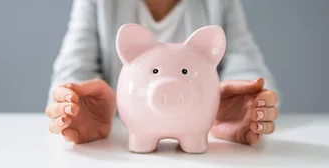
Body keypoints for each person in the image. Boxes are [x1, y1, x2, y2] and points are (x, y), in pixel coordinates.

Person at [45, 0, 280, 145]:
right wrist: (77, 102)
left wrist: (243, 101)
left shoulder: (219, 2)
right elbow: (72, 70)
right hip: (122, 133)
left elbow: (247, 64)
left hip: (204, 130)